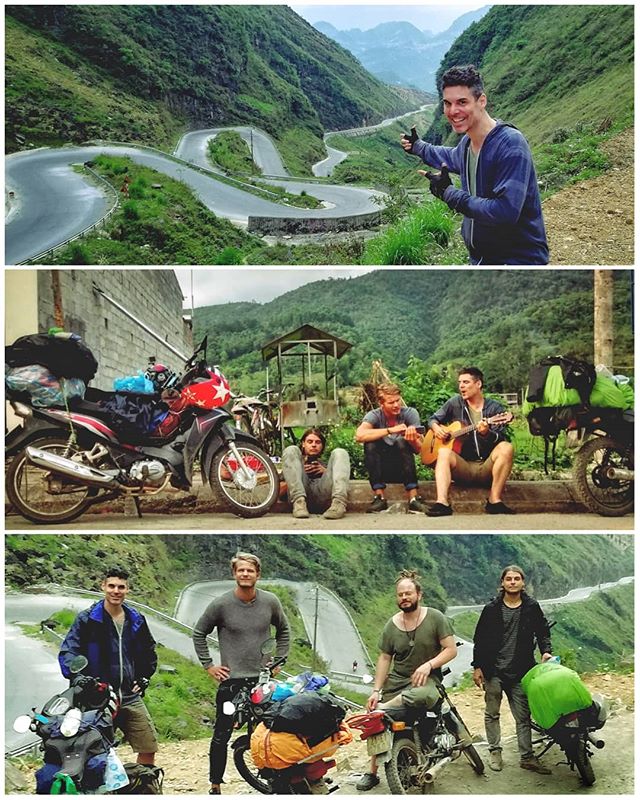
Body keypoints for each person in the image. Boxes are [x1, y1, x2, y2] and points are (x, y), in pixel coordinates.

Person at [401, 64, 549, 265]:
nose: (453, 111)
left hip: (517, 262)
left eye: (462, 102)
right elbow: (450, 156)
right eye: (447, 103)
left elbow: (504, 212)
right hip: (482, 259)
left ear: (482, 101)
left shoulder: (511, 144)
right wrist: (418, 147)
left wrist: (449, 194)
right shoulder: (467, 145)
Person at [192, 552, 290, 795]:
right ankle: (215, 784)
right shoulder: (221, 604)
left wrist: (279, 661)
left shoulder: (270, 602)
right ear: (234, 573)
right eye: (241, 570)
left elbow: (284, 630)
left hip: (262, 681)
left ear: (258, 574)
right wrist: (209, 665)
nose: (245, 574)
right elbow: (199, 633)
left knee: (269, 731)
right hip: (232, 683)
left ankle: (276, 779)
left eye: (250, 570)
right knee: (221, 734)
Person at [357, 570, 457, 791]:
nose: (404, 597)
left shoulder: (435, 618)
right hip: (398, 682)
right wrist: (376, 690)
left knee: (419, 696)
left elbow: (450, 650)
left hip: (428, 679)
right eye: (400, 594)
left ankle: (387, 707)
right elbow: (384, 658)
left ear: (419, 594)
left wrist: (429, 664)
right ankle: (372, 772)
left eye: (408, 593)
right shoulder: (391, 626)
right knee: (377, 721)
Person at [58, 567, 158, 765]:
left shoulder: (135, 619)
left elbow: (149, 650)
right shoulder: (87, 619)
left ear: (127, 590)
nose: (116, 591)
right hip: (97, 698)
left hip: (129, 696)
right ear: (103, 586)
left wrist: (144, 676)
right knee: (96, 752)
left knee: (148, 747)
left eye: (121, 587)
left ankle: (143, 788)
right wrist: (77, 676)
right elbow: (69, 651)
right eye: (111, 586)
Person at [472, 565, 553, 774]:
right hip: (493, 671)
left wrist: (546, 651)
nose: (513, 582)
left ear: (523, 582)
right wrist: (478, 667)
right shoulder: (491, 609)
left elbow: (543, 631)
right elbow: (479, 639)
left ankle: (527, 757)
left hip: (521, 670)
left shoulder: (531, 607)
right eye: (509, 579)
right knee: (492, 713)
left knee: (523, 716)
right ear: (502, 583)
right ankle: (495, 752)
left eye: (517, 578)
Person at [425, 366, 514, 516]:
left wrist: (486, 433)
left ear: (478, 384)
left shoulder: (495, 408)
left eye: (466, 382)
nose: (461, 386)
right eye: (460, 382)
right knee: (444, 452)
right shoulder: (454, 403)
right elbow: (433, 419)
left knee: (506, 447)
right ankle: (442, 503)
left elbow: (500, 437)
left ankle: (494, 501)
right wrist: (436, 428)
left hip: (487, 466)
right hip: (463, 467)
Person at [355, 383, 426, 513]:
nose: (396, 405)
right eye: (391, 402)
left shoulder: (410, 413)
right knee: (370, 443)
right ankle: (379, 497)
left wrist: (413, 439)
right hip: (381, 469)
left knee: (401, 441)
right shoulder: (374, 415)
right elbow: (359, 435)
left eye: (398, 400)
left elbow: (420, 450)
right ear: (382, 404)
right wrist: (390, 430)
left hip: (404, 468)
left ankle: (414, 498)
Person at [281, 427, 350, 520]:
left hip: (325, 498)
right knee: (291, 449)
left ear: (322, 446)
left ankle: (339, 504)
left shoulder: (328, 463)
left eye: (317, 442)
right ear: (303, 444)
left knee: (340, 452)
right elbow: (279, 492)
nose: (314, 445)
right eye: (310, 442)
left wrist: (324, 471)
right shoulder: (293, 462)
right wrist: (297, 474)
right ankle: (299, 503)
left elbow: (345, 481)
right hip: (299, 499)